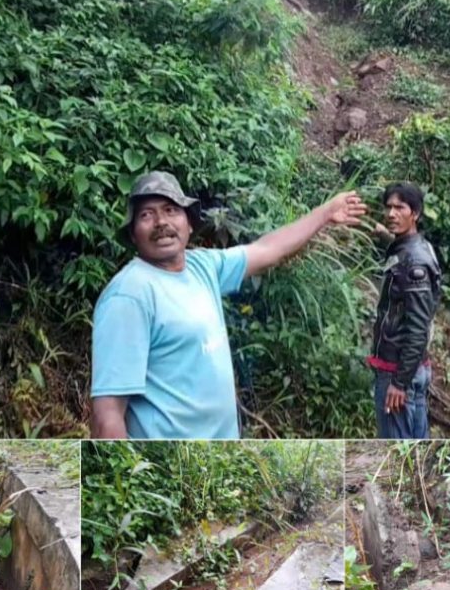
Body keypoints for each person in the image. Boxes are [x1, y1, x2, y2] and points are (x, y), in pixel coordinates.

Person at [90, 170, 367, 439]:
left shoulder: (202, 266)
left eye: (171, 210)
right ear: (133, 234)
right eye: (146, 215)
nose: (161, 221)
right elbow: (108, 415)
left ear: (189, 223)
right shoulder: (129, 295)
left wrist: (325, 213)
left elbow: (268, 250)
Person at [367, 182, 442, 439]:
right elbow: (403, 252)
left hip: (398, 372)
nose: (391, 214)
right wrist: (381, 234)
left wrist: (399, 383)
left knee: (397, 445)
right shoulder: (417, 247)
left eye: (400, 208)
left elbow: (418, 329)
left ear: (415, 213)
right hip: (413, 369)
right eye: (388, 207)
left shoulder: (413, 264)